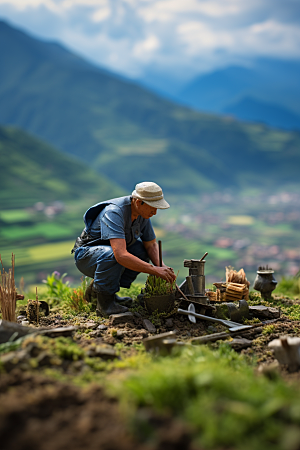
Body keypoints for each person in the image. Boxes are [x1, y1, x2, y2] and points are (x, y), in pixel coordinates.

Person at [72, 181, 176, 317]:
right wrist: (154, 270)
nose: (155, 212)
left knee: (141, 251)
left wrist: (162, 266)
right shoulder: (114, 212)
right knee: (113, 255)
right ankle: (105, 305)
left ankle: (106, 294)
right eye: (153, 207)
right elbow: (120, 255)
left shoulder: (142, 215)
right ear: (139, 202)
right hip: (87, 256)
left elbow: (150, 245)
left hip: (108, 255)